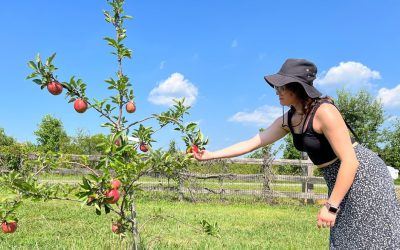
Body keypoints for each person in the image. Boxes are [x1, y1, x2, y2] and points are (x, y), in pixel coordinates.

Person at [193, 58, 400, 249]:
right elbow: (254, 142)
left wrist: (331, 206)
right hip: (338, 177)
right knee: (346, 238)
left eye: (282, 86)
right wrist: (211, 155)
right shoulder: (290, 119)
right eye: (276, 86)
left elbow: (350, 162)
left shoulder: (324, 112)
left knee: (371, 237)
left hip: (363, 177)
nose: (277, 91)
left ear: (298, 87)